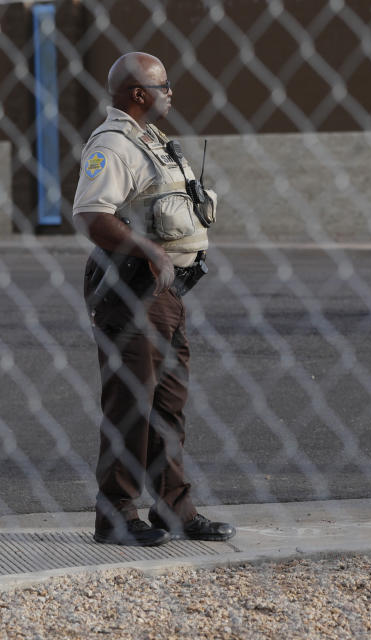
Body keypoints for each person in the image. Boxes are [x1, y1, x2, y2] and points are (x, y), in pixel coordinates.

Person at [73, 52, 235, 546]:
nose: (171, 92)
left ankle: (175, 510)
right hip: (129, 288)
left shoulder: (154, 143)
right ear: (138, 94)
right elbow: (91, 214)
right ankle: (116, 515)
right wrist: (147, 250)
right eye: (164, 85)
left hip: (163, 293)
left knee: (167, 402)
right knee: (132, 404)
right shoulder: (112, 145)